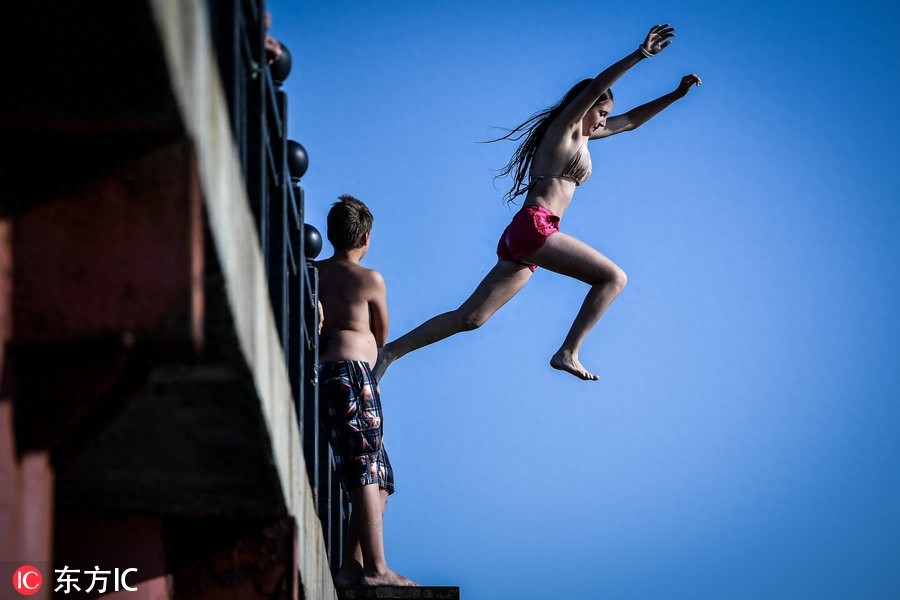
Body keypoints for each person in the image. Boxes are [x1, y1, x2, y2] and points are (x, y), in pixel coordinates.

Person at [374, 23, 700, 382]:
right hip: (536, 225)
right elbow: (594, 88)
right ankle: (567, 351)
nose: (605, 120)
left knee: (471, 317)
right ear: (587, 107)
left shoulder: (587, 137)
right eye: (601, 112)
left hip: (525, 235)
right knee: (613, 277)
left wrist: (675, 95)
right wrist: (640, 55)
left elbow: (631, 122)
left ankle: (390, 353)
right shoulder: (564, 128)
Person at [316, 195, 417, 587]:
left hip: (327, 376)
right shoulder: (370, 279)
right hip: (355, 376)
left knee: (380, 475)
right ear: (366, 238)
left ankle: (350, 567)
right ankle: (377, 569)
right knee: (364, 468)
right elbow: (382, 333)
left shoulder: (314, 272)